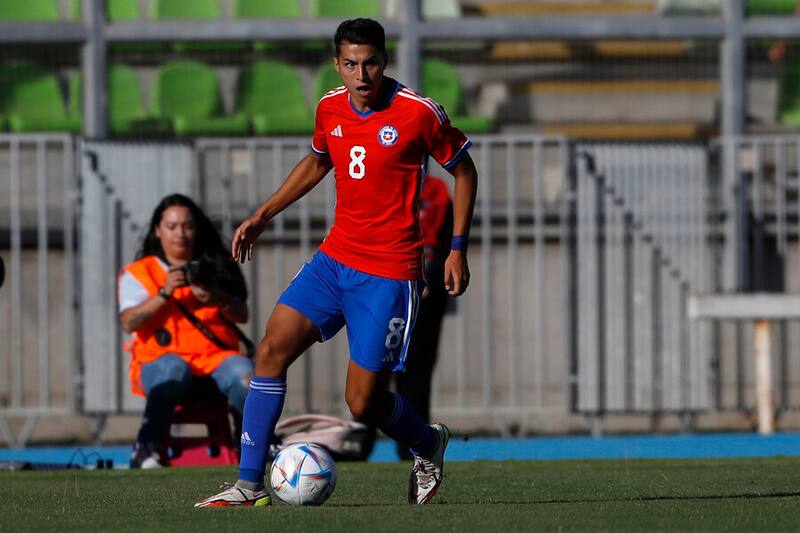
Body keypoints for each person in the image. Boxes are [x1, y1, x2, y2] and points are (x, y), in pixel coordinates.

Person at [194, 18, 478, 507]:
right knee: (270, 350)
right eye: (350, 64)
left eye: (370, 63)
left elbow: (465, 170)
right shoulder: (329, 106)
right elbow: (318, 160)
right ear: (337, 64)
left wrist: (457, 248)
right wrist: (263, 213)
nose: (361, 74)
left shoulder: (418, 113)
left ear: (384, 61)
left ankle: (428, 443)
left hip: (390, 273)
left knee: (363, 402)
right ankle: (248, 483)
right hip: (334, 259)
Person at [118, 193, 253, 468]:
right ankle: (146, 447)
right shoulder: (139, 272)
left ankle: (250, 446)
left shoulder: (216, 267)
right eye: (171, 226)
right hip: (159, 361)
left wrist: (218, 298)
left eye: (187, 226)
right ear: (158, 230)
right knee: (173, 370)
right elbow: (128, 322)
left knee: (246, 376)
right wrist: (163, 295)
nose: (180, 234)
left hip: (213, 360)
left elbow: (243, 315)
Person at [394, 175, 453, 460]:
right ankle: (362, 444)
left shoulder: (437, 191)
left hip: (427, 293)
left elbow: (446, 240)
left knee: (418, 368)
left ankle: (415, 445)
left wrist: (429, 277)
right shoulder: (387, 180)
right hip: (391, 285)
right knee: (376, 370)